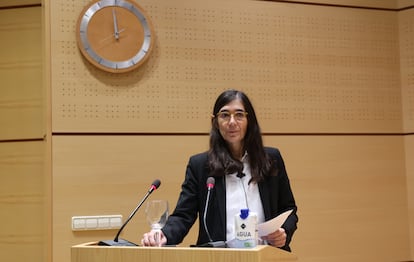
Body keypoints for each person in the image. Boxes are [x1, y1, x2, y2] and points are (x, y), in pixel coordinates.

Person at [142, 89, 298, 251]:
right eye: (224, 115)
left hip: (266, 255)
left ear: (249, 120)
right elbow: (183, 215)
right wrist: (163, 235)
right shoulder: (201, 165)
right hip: (218, 256)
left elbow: (288, 209)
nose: (232, 122)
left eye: (239, 115)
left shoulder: (271, 159)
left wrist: (283, 232)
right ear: (215, 121)